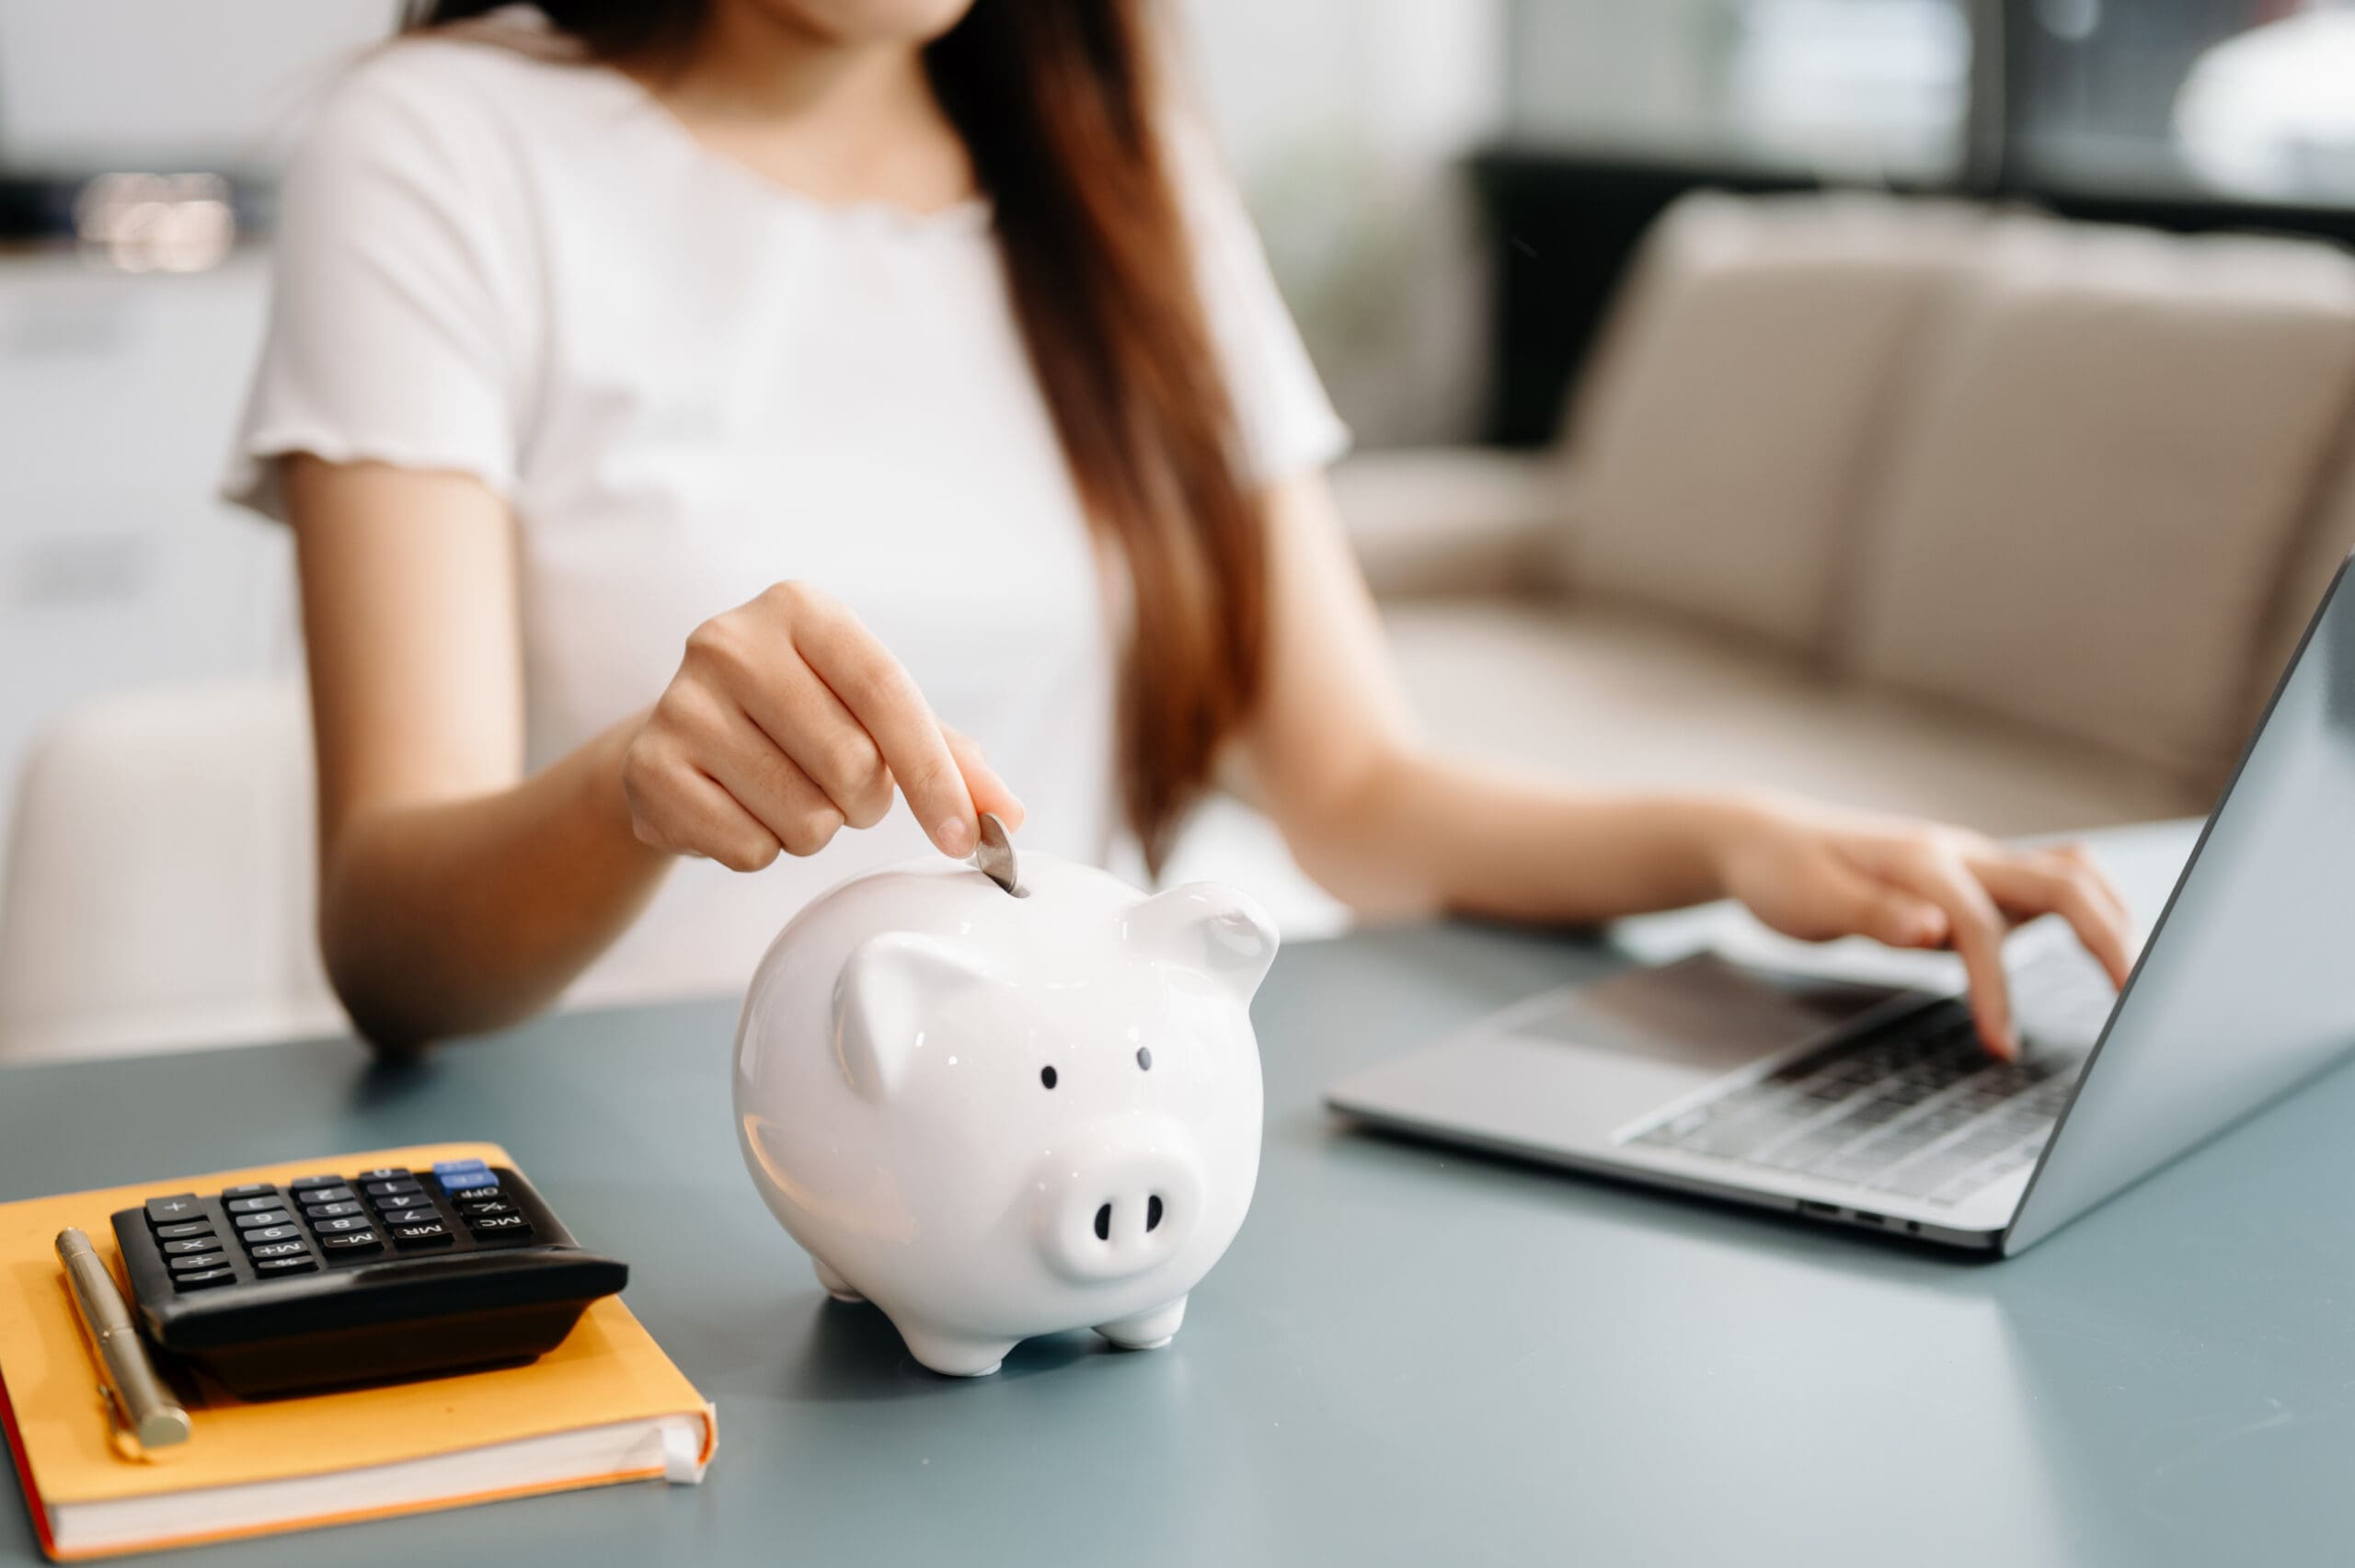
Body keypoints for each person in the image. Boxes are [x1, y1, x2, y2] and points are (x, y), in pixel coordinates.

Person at [224, 0, 2131, 1056]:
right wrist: (629, 788)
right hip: (636, 1169)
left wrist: (1741, 837)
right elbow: (392, 945)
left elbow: (1361, 794)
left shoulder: (1117, 180)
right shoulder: (443, 145)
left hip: (1083, 1127)